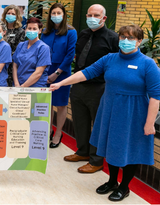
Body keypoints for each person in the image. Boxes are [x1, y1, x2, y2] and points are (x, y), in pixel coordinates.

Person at [50, 24, 160, 202]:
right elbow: (86, 73)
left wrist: (149, 123)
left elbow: (155, 97)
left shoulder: (148, 65)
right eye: (123, 37)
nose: (126, 41)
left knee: (129, 149)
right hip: (109, 109)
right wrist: (61, 83)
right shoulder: (110, 59)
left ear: (139, 41)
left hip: (133, 113)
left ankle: (124, 187)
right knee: (109, 146)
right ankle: (111, 181)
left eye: (131, 38)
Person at [63, 4, 119, 173]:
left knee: (98, 125)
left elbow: (117, 63)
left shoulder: (112, 38)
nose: (92, 18)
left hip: (99, 88)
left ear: (104, 18)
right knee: (80, 121)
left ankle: (96, 161)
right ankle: (82, 152)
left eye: (96, 15)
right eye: (90, 15)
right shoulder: (83, 33)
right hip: (79, 85)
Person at [41, 3, 77, 148]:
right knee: (47, 103)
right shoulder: (45, 31)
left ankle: (58, 134)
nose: (56, 16)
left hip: (62, 72)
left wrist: (57, 73)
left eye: (58, 13)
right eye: (53, 13)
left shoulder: (71, 31)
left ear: (64, 15)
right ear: (50, 15)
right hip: (45, 70)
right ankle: (49, 129)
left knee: (61, 105)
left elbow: (70, 55)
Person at [12, 17, 51, 87]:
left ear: (40, 31)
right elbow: (15, 66)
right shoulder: (21, 45)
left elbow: (38, 73)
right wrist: (16, 84)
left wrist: (23, 87)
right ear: (25, 30)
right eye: (29, 28)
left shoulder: (43, 48)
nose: (31, 31)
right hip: (18, 85)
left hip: (35, 87)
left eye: (34, 29)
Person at [1, 5, 25, 86]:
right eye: (8, 13)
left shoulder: (20, 31)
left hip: (12, 65)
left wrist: (7, 59)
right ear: (5, 15)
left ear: (17, 16)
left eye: (13, 14)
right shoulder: (1, 30)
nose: (10, 15)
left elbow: (19, 49)